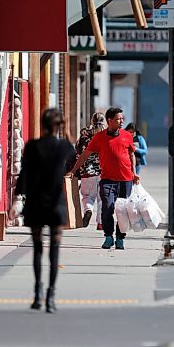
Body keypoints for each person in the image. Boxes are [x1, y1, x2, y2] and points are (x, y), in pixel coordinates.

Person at [12, 108, 75, 313]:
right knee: (55, 250)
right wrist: (64, 129)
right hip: (56, 204)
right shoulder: (63, 147)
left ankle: (37, 293)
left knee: (38, 248)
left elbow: (24, 174)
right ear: (59, 125)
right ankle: (51, 295)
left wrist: (17, 197)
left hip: (36, 203)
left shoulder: (32, 146)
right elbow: (73, 153)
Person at [67, 107, 139, 250]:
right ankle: (108, 236)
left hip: (125, 180)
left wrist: (134, 173)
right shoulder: (99, 138)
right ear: (110, 121)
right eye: (118, 119)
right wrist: (73, 170)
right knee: (107, 207)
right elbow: (85, 155)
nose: (121, 121)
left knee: (123, 211)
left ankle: (120, 238)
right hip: (107, 179)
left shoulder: (126, 136)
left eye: (122, 118)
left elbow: (131, 155)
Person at [75, 112, 106, 229]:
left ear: (92, 121)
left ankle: (88, 210)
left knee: (88, 196)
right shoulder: (106, 135)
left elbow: (78, 151)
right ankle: (101, 222)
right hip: (103, 171)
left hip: (87, 171)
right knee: (102, 198)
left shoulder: (84, 136)